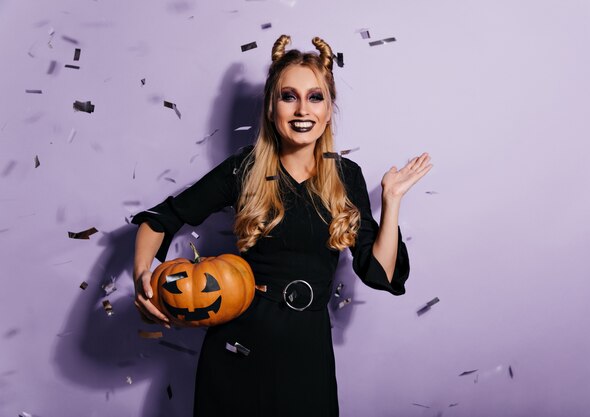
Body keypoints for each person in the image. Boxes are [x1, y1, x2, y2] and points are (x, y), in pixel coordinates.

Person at [132, 34, 433, 417]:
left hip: (306, 351)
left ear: (328, 109)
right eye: (288, 96)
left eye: (315, 97)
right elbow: (162, 218)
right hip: (237, 349)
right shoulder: (244, 169)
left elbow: (380, 273)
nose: (302, 109)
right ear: (271, 107)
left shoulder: (346, 176)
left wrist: (391, 201)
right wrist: (142, 273)